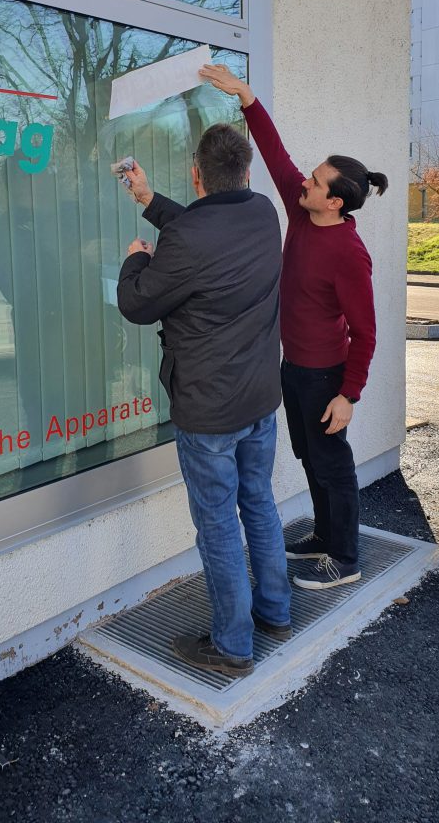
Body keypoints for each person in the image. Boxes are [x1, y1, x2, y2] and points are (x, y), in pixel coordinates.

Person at [199, 64, 388, 592]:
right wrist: (247, 97)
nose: (304, 180)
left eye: (316, 181)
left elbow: (366, 332)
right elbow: (276, 154)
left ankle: (345, 559)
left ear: (335, 201)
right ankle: (325, 537)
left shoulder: (349, 253)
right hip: (295, 369)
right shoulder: (303, 213)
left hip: (327, 377)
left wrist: (349, 394)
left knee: (333, 464)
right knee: (310, 458)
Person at [117, 124, 291, 678]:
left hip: (210, 411)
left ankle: (233, 645)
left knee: (217, 523)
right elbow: (203, 233)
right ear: (247, 173)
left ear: (196, 175)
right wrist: (149, 199)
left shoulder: (188, 240)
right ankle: (275, 611)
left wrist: (136, 259)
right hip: (260, 399)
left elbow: (137, 304)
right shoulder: (264, 213)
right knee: (259, 503)